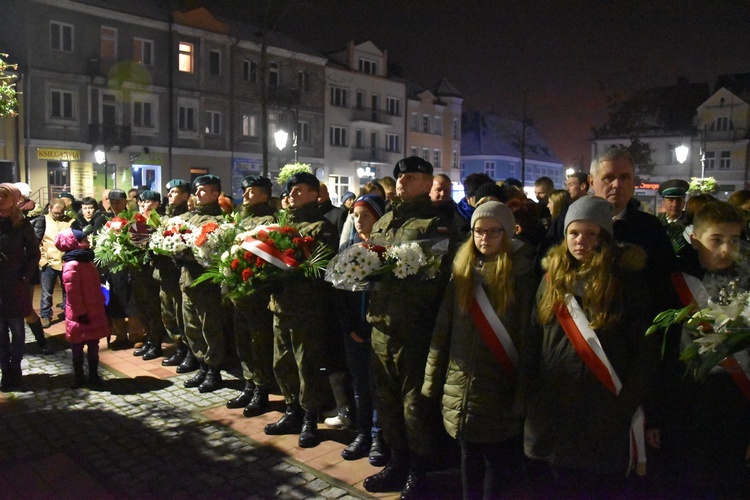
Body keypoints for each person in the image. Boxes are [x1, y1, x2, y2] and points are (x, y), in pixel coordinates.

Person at [524, 196, 657, 496]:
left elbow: (644, 350)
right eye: (574, 233)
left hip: (603, 411)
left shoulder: (625, 282)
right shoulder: (552, 278)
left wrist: (624, 407)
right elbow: (534, 336)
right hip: (554, 408)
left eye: (591, 233)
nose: (580, 241)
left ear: (604, 237)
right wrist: (530, 395)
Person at [423, 201, 535, 499]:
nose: (484, 238)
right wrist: (432, 380)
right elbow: (442, 329)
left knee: (495, 464)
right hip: (460, 384)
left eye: (493, 231)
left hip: (498, 386)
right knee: (467, 457)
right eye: (478, 231)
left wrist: (522, 396)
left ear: (508, 233)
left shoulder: (521, 276)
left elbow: (526, 338)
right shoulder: (461, 271)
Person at [363, 156, 455, 497]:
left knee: (415, 407)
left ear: (428, 183)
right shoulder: (385, 219)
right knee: (385, 402)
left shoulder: (436, 223)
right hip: (381, 326)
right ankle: (397, 462)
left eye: (412, 177)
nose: (402, 181)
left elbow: (438, 277)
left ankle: (419, 471)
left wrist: (395, 272)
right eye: (400, 176)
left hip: (414, 328)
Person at [656, 201, 750, 494]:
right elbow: (662, 352)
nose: (726, 249)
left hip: (736, 399)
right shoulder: (674, 281)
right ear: (695, 239)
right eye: (716, 240)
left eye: (734, 240)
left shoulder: (746, 279)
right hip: (685, 400)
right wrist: (656, 412)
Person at [263, 172, 338, 448]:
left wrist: (287, 269)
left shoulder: (322, 227)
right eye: (290, 191)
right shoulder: (280, 224)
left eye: (298, 191)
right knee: (281, 361)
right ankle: (292, 410)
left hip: (307, 306)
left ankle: (310, 416)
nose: (291, 196)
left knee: (306, 364)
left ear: (313, 194)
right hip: (281, 304)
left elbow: (320, 268)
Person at [337, 194, 388, 464]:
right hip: (354, 330)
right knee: (359, 384)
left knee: (378, 384)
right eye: (355, 215)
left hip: (379, 330)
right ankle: (363, 432)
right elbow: (339, 292)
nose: (359, 221)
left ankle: (380, 436)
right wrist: (349, 327)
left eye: (366, 215)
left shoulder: (388, 250)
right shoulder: (347, 248)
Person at [226, 175, 276, 416]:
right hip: (238, 292)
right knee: (243, 342)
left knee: (259, 344)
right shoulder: (239, 219)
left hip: (256, 294)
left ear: (264, 195)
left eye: (251, 191)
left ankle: (261, 389)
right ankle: (249, 383)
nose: (245, 195)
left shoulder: (268, 220)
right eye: (244, 191)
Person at [178, 175, 227, 393]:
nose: (197, 194)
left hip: (207, 284)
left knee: (210, 328)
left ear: (215, 193)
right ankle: (202, 365)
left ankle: (214, 370)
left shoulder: (222, 220)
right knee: (191, 325)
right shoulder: (188, 217)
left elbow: (218, 252)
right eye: (196, 190)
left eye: (202, 190)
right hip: (187, 279)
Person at [54, 229, 110, 388]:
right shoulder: (72, 264)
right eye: (84, 238)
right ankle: (79, 377)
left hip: (94, 309)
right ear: (75, 242)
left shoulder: (86, 260)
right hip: (80, 314)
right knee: (77, 345)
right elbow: (72, 293)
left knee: (94, 342)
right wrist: (80, 312)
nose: (88, 240)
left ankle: (93, 375)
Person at [0, 184, 41, 392]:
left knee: (17, 329)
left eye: (4, 195)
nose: (0, 199)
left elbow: (34, 252)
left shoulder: (21, 224)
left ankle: (15, 369)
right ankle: (5, 371)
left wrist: (24, 274)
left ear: (14, 198)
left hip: (15, 283)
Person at [93, 189, 141, 350]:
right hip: (111, 267)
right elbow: (97, 243)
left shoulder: (134, 218)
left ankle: (136, 334)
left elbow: (140, 241)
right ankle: (120, 335)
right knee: (115, 301)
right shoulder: (101, 219)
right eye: (111, 202)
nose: (115, 205)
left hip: (130, 266)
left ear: (125, 202)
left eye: (118, 202)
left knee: (133, 301)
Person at [156, 179, 193, 369]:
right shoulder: (163, 218)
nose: (169, 195)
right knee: (168, 313)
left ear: (185, 196)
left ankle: (188, 351)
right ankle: (178, 346)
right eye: (169, 192)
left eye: (175, 192)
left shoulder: (188, 218)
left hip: (179, 274)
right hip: (164, 273)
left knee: (182, 315)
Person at [131, 190, 167, 361]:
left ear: (157, 204)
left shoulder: (161, 221)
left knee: (154, 309)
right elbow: (132, 243)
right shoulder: (136, 219)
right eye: (143, 201)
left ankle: (156, 342)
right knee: (142, 308)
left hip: (153, 271)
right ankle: (148, 339)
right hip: (138, 270)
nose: (145, 204)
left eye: (149, 202)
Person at [33, 198, 80, 328]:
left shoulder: (70, 222)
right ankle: (46, 315)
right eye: (55, 213)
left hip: (66, 261)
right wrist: (43, 260)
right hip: (48, 262)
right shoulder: (43, 220)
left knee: (68, 291)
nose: (58, 215)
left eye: (61, 213)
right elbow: (37, 241)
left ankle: (68, 313)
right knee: (47, 292)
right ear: (50, 209)